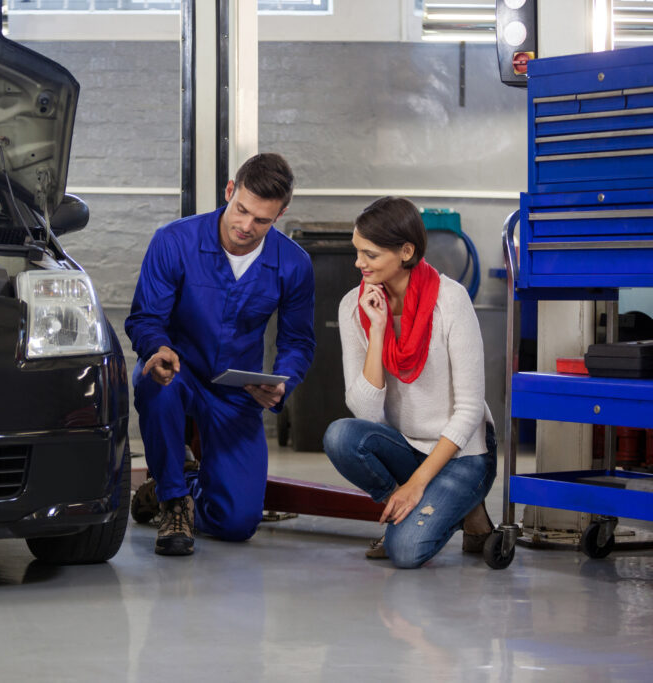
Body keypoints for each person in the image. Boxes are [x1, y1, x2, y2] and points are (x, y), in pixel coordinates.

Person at [125, 153, 316, 557]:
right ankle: (174, 504)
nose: (246, 227)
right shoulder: (175, 241)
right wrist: (156, 350)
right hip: (177, 372)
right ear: (230, 191)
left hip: (236, 388)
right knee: (153, 382)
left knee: (237, 523)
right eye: (241, 210)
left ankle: (171, 486)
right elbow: (145, 318)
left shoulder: (293, 265)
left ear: (280, 214)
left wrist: (281, 382)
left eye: (261, 220)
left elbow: (298, 342)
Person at [323, 196, 496, 569]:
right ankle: (411, 504)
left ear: (405, 251)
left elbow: (468, 412)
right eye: (357, 252)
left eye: (370, 255)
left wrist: (417, 484)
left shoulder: (450, 301)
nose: (358, 263)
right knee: (340, 436)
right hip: (406, 444)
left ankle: (465, 506)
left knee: (405, 552)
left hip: (462, 453)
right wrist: (379, 328)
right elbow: (365, 410)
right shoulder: (355, 306)